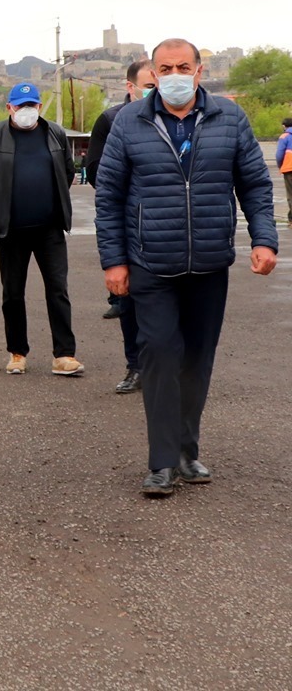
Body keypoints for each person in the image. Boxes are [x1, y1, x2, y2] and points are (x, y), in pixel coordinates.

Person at [95, 38, 277, 498]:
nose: (174, 75)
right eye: (165, 68)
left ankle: (185, 451)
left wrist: (264, 239)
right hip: (150, 262)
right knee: (158, 353)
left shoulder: (229, 118)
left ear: (198, 71)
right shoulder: (129, 123)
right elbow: (109, 197)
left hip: (209, 261)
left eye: (182, 66)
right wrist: (114, 261)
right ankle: (161, 462)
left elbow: (255, 184)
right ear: (153, 75)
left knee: (197, 359)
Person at [0, 82, 84, 377]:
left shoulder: (55, 133)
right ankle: (17, 353)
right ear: (9, 107)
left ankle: (64, 355)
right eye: (21, 106)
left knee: (58, 290)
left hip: (50, 230)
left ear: (39, 106)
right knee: (13, 294)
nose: (26, 110)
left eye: (32, 105)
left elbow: (68, 171)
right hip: (11, 231)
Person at [85, 59, 157, 393]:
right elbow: (96, 172)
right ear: (131, 86)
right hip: (130, 224)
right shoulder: (111, 120)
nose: (157, 90)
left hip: (170, 226)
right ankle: (136, 366)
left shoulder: (178, 120)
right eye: (150, 85)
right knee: (129, 302)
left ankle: (173, 368)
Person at [275, 117, 292, 228]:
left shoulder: (284, 136)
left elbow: (279, 154)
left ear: (284, 126)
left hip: (289, 168)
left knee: (291, 195)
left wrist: (280, 166)